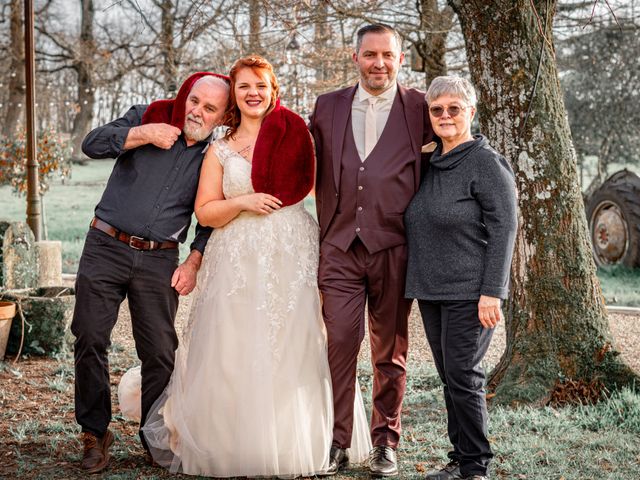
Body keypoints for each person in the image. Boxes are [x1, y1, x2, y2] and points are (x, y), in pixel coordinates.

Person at [141, 55, 371, 477]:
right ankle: (232, 441)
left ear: (273, 90)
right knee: (234, 342)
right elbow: (206, 213)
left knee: (296, 338)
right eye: (244, 86)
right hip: (236, 256)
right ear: (234, 94)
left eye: (260, 85)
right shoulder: (221, 149)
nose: (253, 93)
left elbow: (325, 189)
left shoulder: (295, 135)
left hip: (292, 251)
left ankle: (309, 436)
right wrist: (243, 202)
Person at [71, 72, 230, 474]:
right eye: (194, 100)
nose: (197, 110)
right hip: (105, 245)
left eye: (209, 108)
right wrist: (142, 134)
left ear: (223, 116)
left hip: (160, 258)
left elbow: (209, 218)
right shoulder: (149, 116)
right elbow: (91, 144)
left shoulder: (217, 155)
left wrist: (194, 259)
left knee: (160, 352)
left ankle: (154, 435)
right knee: (90, 336)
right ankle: (95, 432)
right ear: (185, 95)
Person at [309, 23, 435, 477]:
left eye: (387, 55)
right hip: (340, 246)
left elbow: (449, 148)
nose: (378, 63)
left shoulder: (420, 107)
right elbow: (301, 160)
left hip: (395, 248)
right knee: (341, 342)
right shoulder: (327, 107)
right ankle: (339, 442)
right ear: (355, 57)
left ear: (401, 59)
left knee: (390, 352)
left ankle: (385, 442)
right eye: (370, 55)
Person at [404, 76, 518, 480]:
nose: (446, 116)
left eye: (455, 108)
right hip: (431, 289)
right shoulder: (430, 162)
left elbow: (505, 227)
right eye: (437, 109)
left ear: (471, 111)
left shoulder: (485, 163)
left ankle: (475, 468)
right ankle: (460, 458)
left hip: (471, 292)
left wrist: (493, 292)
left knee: (464, 376)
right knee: (451, 376)